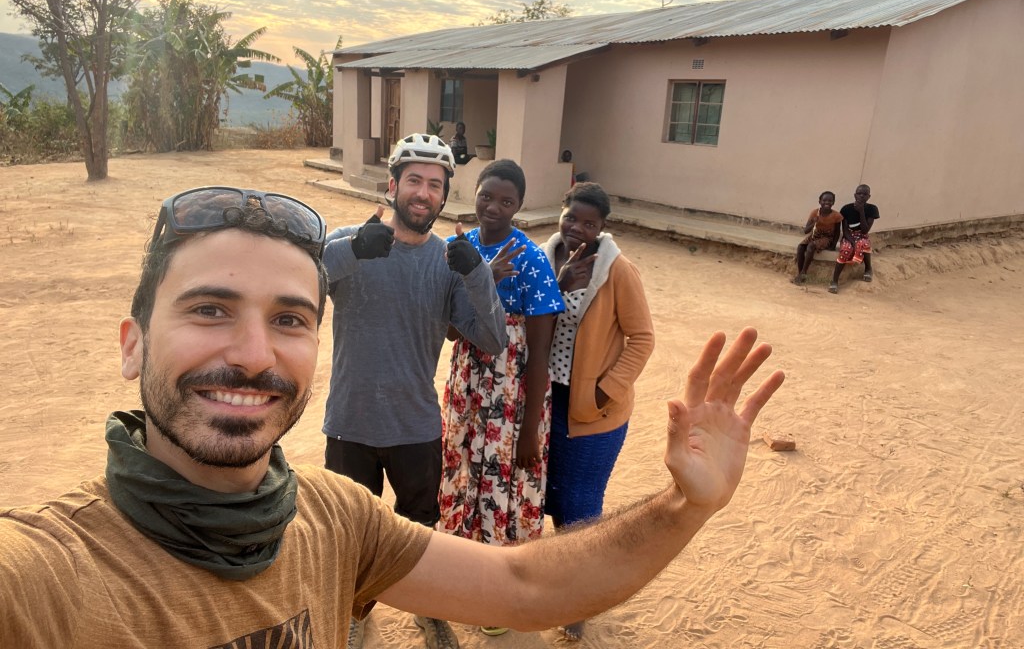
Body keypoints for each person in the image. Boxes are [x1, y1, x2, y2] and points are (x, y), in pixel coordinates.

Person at [0, 183, 785, 647]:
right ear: (132, 344)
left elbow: (522, 582)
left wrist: (686, 506)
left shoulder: (332, 522)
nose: (250, 353)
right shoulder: (49, 578)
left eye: (289, 319)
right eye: (209, 309)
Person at [322, 133, 507, 648]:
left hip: (415, 425)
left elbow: (492, 340)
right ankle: (357, 609)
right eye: (413, 181)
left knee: (420, 531)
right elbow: (301, 287)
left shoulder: (449, 263)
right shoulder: (349, 241)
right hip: (350, 422)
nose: (423, 193)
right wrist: (352, 252)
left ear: (444, 197)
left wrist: (478, 276)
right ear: (392, 185)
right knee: (352, 531)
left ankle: (427, 610)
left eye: (434, 185)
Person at [438, 160, 564, 636]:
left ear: (520, 206)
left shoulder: (531, 260)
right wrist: (482, 277)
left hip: (510, 396)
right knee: (465, 475)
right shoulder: (462, 247)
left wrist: (529, 429)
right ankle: (465, 581)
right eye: (486, 196)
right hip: (467, 385)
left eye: (505, 201)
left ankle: (497, 598)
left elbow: (537, 355)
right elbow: (451, 331)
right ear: (474, 193)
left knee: (501, 489)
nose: (493, 207)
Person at [541, 181, 656, 641]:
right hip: (548, 400)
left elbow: (642, 338)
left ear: (603, 228)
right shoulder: (543, 257)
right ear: (561, 214)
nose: (578, 229)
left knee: (580, 505)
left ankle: (580, 598)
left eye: (590, 223)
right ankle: (564, 578)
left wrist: (608, 389)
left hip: (596, 411)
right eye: (572, 218)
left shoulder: (618, 271)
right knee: (550, 496)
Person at [829, 184, 880, 294]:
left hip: (862, 235)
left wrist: (861, 211)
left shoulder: (872, 209)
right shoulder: (846, 209)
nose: (861, 196)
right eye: (859, 193)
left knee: (864, 243)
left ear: (869, 196)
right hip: (849, 236)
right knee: (846, 248)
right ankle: (834, 281)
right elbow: (845, 230)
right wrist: (852, 241)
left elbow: (865, 230)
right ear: (854, 195)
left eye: (865, 194)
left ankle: (868, 268)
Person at [794, 191, 843, 284]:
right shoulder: (815, 213)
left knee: (811, 246)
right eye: (824, 200)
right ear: (820, 201)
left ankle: (804, 272)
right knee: (800, 247)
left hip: (827, 237)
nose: (827, 202)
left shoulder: (836, 216)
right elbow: (806, 231)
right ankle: (800, 273)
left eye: (830, 200)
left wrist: (833, 245)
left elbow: (837, 232)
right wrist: (814, 222)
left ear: (833, 202)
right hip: (815, 235)